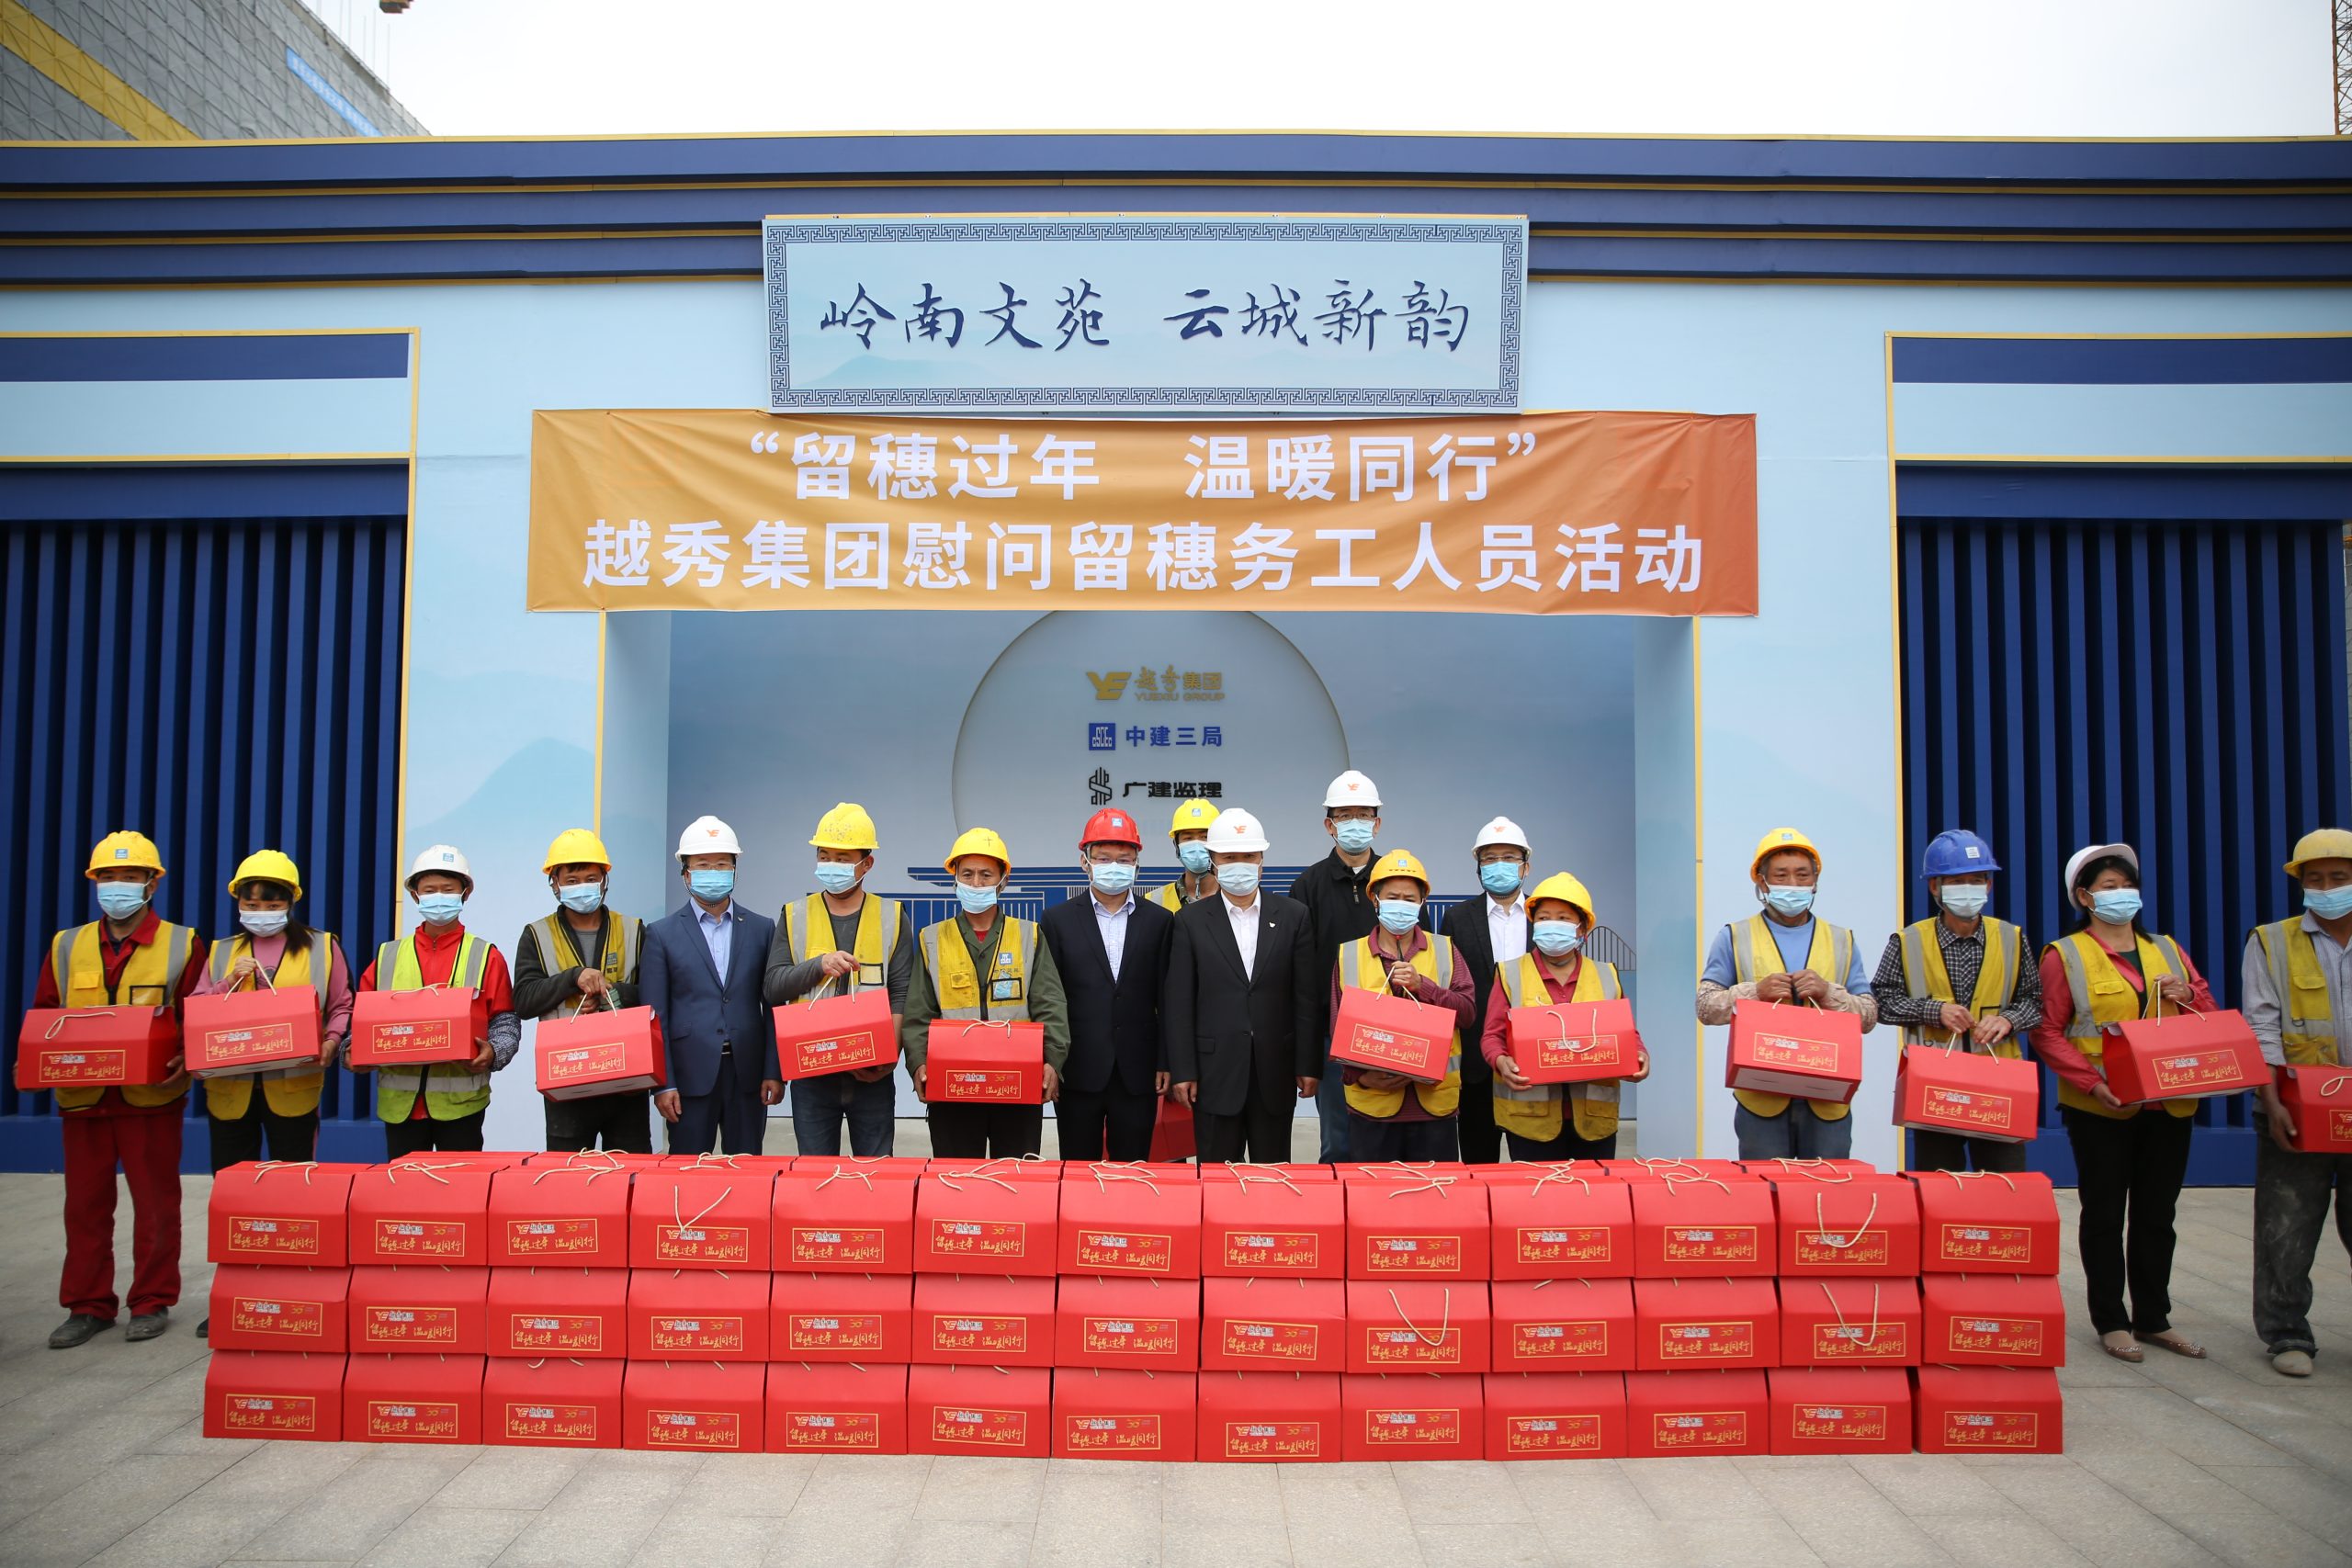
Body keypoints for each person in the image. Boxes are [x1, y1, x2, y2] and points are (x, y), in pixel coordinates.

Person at [2032, 841, 2214, 1364]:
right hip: (2101, 1107)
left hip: (2169, 1102)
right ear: (2085, 897)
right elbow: (2048, 1030)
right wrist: (2092, 1084)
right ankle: (2111, 1320)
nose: (2122, 894)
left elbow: (2207, 1010)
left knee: (2158, 1214)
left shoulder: (2168, 948)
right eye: (2109, 887)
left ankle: (2154, 1318)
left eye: (2127, 885)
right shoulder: (2065, 954)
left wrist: (2188, 995)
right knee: (2105, 1213)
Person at [37, 831, 204, 1349]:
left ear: (152, 884)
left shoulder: (183, 943)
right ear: (94, 883)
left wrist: (188, 1057)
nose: (118, 886)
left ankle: (151, 1300)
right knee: (84, 1206)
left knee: (156, 1205)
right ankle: (87, 1305)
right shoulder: (67, 944)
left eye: (130, 877)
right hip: (84, 1097)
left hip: (151, 1098)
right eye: (108, 877)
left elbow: (197, 1014)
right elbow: (45, 1013)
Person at [190, 851, 353, 1337]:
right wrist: (227, 982)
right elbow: (196, 1008)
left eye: (272, 901)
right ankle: (232, 1296)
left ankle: (290, 1294)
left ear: (290, 902)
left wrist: (331, 1042)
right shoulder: (220, 951)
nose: (261, 910)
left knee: (292, 1198)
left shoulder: (322, 947)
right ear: (238, 901)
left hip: (293, 1089)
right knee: (233, 1201)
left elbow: (342, 1004)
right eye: (252, 902)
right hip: (231, 1092)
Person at [1697, 828, 1878, 1159]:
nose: (1792, 884)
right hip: (1761, 1097)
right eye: (1781, 876)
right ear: (1762, 883)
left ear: (1815, 881)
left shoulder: (1842, 940)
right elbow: (1706, 1007)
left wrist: (1829, 993)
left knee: (1828, 1186)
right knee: (1765, 1186)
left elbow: (1868, 1016)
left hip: (1828, 1096)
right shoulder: (1734, 936)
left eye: (1802, 875)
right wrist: (1754, 992)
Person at [1870, 829, 2041, 1174]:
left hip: (1999, 1085)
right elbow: (1883, 1002)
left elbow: (2035, 1001)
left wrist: (2008, 1020)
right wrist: (1934, 1010)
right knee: (1939, 1186)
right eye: (1957, 881)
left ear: (1988, 885)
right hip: (1934, 1086)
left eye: (1977, 880)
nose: (1969, 889)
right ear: (1935, 887)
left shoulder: (2011, 937)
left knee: (2004, 1186)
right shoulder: (1907, 941)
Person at [2245, 827, 2352, 1379]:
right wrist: (2271, 1102)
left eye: (2339, 877)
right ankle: (2287, 1332)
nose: (2327, 887)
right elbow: (2261, 1026)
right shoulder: (2271, 941)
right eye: (2316, 879)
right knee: (2286, 1227)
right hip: (2294, 1110)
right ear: (2301, 884)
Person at [900, 829, 1070, 1159]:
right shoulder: (932, 938)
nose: (976, 883)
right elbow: (919, 1012)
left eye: (985, 874)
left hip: (1017, 1083)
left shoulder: (1029, 935)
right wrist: (918, 1063)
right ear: (955, 879)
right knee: (957, 1178)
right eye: (967, 874)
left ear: (1003, 881)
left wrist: (1053, 1061)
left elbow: (1050, 1004)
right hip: (954, 1085)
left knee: (1015, 1178)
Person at [1164, 808, 1320, 1163]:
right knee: (1216, 1181)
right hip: (1213, 1075)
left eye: (1248, 856)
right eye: (1229, 857)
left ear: (1262, 860)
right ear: (1214, 862)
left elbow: (1306, 999)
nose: (1240, 865)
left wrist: (1308, 1064)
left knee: (1273, 1178)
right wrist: (1184, 1070)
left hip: (1275, 1071)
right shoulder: (1190, 921)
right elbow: (1179, 1003)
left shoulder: (1294, 916)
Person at [763, 803, 913, 1158]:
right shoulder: (794, 914)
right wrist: (819, 965)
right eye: (825, 856)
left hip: (872, 1074)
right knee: (815, 1175)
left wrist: (888, 1058)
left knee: (875, 1172)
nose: (832, 865)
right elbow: (773, 986)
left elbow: (902, 992)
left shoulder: (892, 916)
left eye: (843, 859)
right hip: (812, 1073)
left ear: (867, 863)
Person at [357, 844, 520, 1157]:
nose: (439, 897)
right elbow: (361, 1018)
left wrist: (495, 1051)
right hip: (401, 1107)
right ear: (415, 895)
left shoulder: (486, 955)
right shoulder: (388, 956)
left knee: (461, 1185)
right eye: (430, 890)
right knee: (404, 1185)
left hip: (461, 1106)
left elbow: (504, 1019)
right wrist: (353, 1050)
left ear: (465, 894)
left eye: (448, 889)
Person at [1482, 872, 1649, 1160]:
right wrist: (1499, 1060)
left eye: (1563, 918)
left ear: (1581, 928)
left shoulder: (1605, 974)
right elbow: (1491, 1036)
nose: (1552, 924)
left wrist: (1639, 1054)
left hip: (1594, 1120)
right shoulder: (1510, 974)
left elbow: (1627, 1034)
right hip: (1531, 1122)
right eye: (1544, 918)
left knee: (1593, 1189)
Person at [641, 815, 781, 1156]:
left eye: (722, 864)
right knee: (687, 1171)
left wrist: (774, 1071)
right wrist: (664, 1083)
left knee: (746, 1168)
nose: (713, 872)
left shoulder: (762, 928)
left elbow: (773, 1008)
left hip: (747, 1075)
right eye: (703, 865)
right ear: (686, 873)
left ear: (734, 870)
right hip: (689, 1076)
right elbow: (655, 1016)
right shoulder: (661, 934)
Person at [1042, 807, 1176, 1161]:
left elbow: (1168, 997)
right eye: (1103, 858)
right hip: (1077, 1069)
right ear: (1085, 861)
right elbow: (1049, 999)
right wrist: (1051, 1061)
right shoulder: (1057, 921)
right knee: (1078, 1169)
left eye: (1124, 859)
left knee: (1133, 1171)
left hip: (1139, 1071)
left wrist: (1166, 1060)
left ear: (1136, 864)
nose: (1114, 866)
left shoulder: (1160, 921)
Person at [1331, 850, 1476, 1162]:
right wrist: (1359, 1076)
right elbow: (1337, 1026)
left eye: (1409, 898)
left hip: (1434, 1107)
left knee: (1435, 1191)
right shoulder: (1349, 955)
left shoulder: (1445, 950)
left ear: (1422, 902)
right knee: (1374, 1190)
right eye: (1393, 897)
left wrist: (1425, 986)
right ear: (1375, 900)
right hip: (1373, 1107)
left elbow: (1467, 1013)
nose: (1401, 904)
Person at [512, 829, 650, 1154]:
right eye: (572, 881)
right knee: (568, 1176)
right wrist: (572, 978)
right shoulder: (536, 934)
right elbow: (524, 1001)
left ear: (604, 881)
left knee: (630, 1173)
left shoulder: (633, 929)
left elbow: (654, 994)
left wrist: (613, 995)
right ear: (554, 884)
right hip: (567, 1079)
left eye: (590, 878)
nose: (582, 886)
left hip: (627, 1080)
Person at [1289, 769, 1385, 1161]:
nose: (1354, 823)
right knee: (1338, 1144)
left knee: (1391, 1141)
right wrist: (1308, 1053)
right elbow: (1300, 978)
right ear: (1330, 825)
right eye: (1345, 815)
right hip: (1333, 1037)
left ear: (1377, 823)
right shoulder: (1307, 886)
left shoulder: (1398, 881)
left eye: (1363, 814)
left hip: (1392, 1032)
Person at [1441, 817, 1532, 1164]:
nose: (1499, 865)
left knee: (1534, 1167)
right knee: (1478, 1168)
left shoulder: (1545, 917)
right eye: (1490, 859)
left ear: (1526, 866)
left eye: (1509, 858)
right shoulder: (1458, 918)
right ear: (1478, 867)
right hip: (1475, 1067)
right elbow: (1450, 990)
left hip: (1533, 1063)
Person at [1148, 798, 1223, 911]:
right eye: (1188, 838)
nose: (1197, 844)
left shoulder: (1236, 898)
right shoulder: (1153, 901)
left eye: (1205, 837)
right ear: (1176, 846)